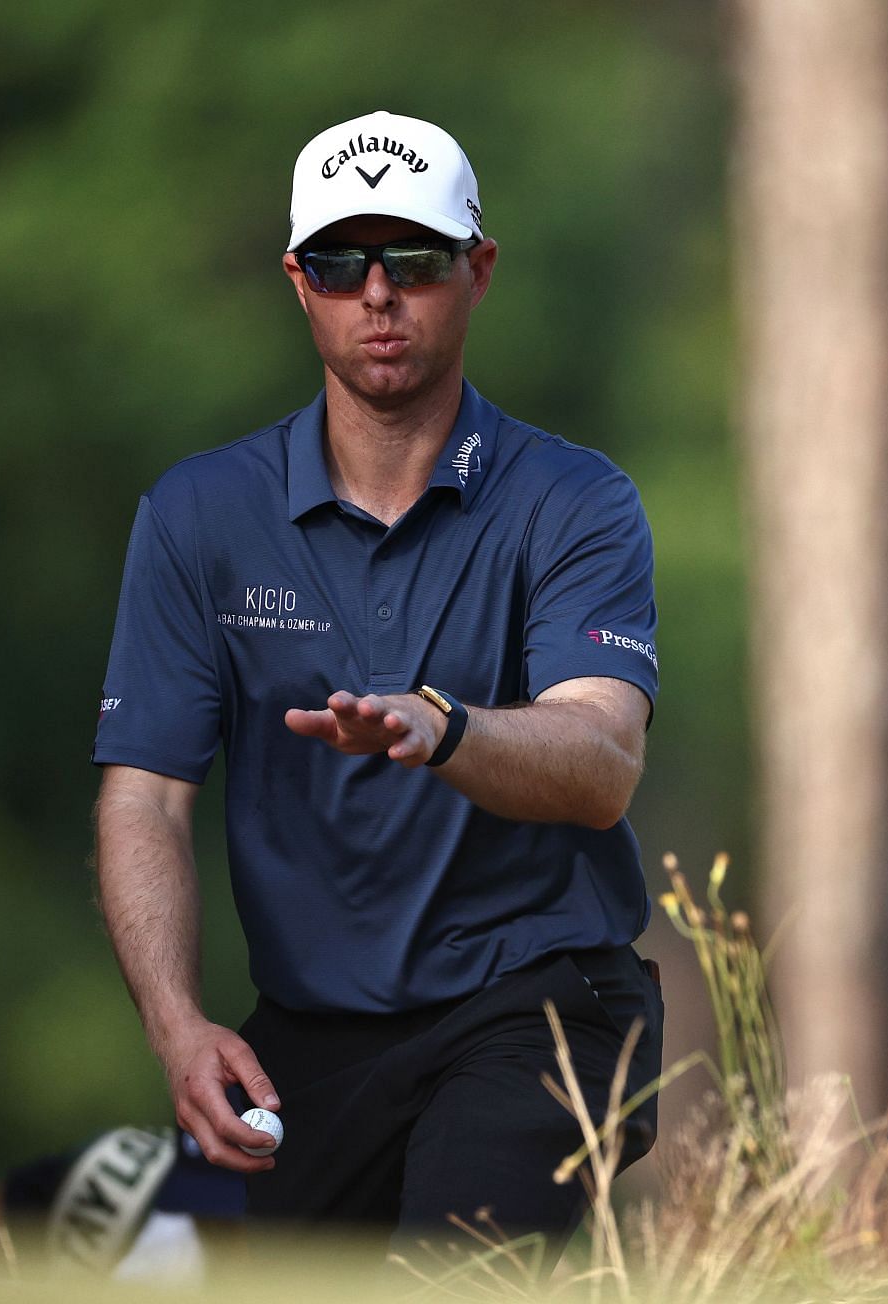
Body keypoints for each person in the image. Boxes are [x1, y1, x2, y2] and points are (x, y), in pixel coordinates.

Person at [90, 109, 664, 1265]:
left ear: (477, 270)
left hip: (539, 1000)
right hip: (314, 1031)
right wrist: (177, 1024)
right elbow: (145, 795)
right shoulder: (200, 515)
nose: (380, 293)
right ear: (299, 282)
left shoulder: (575, 500)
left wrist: (441, 724)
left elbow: (603, 766)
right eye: (344, 262)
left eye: (415, 258)